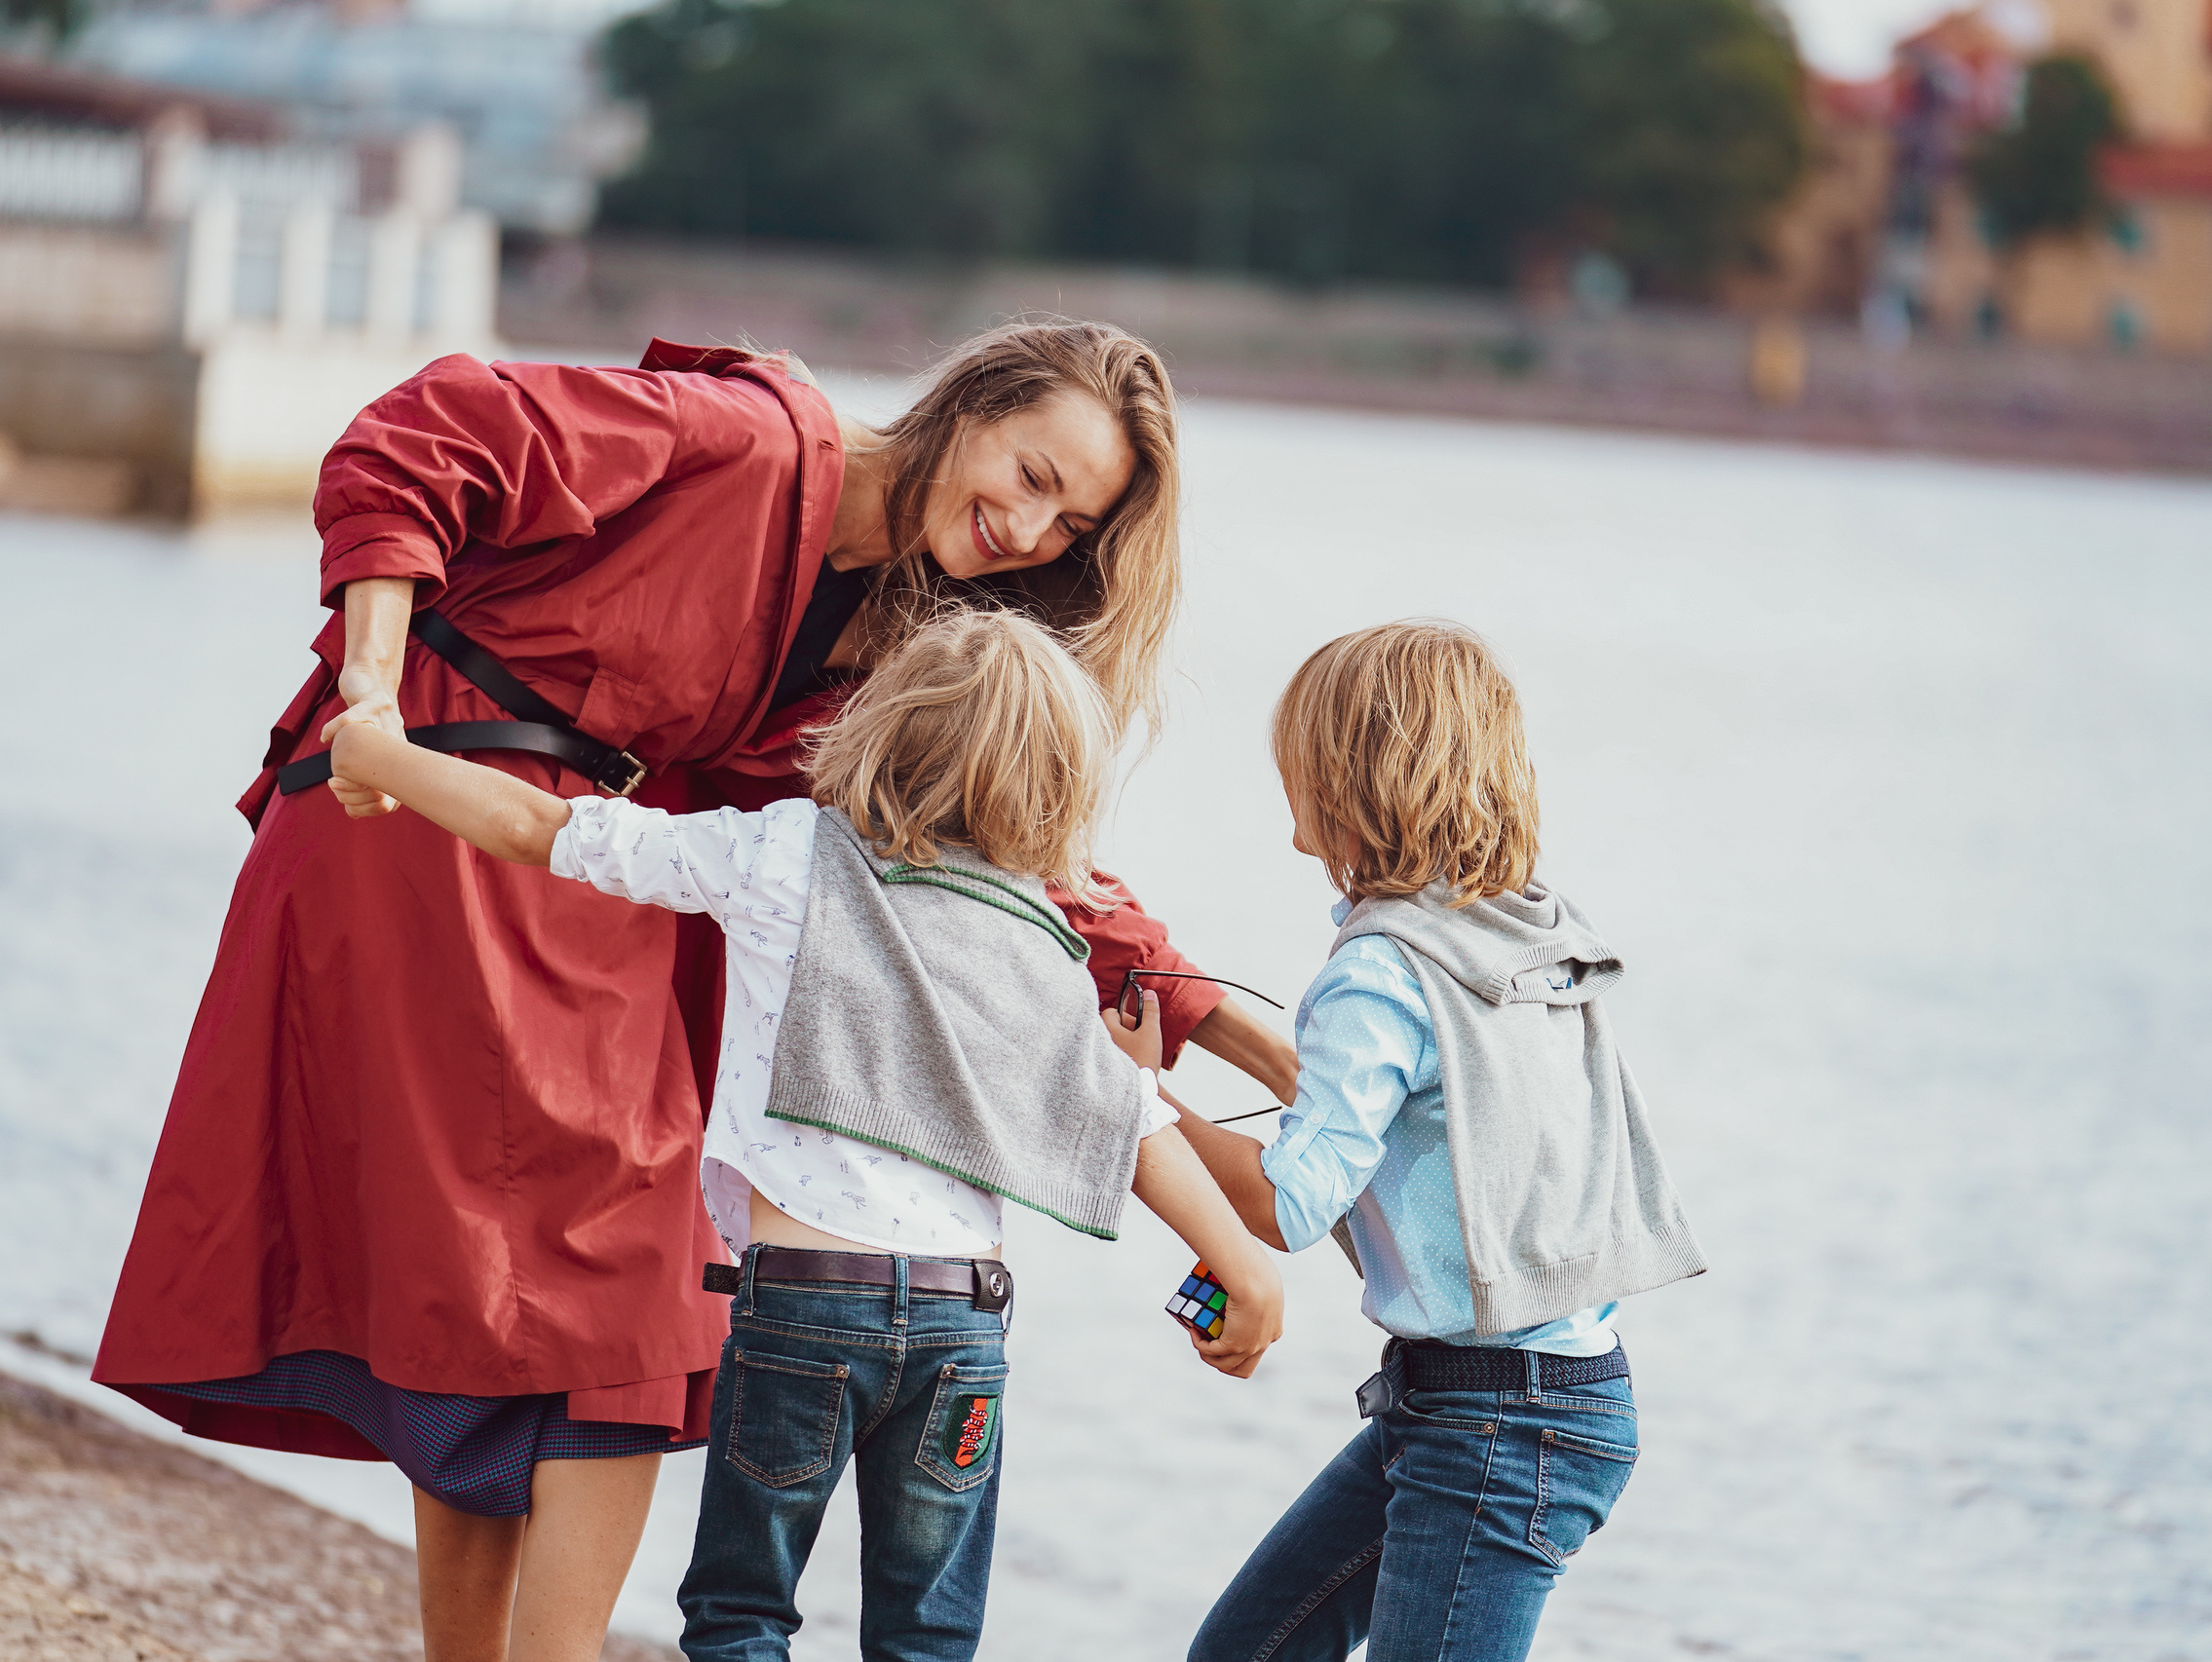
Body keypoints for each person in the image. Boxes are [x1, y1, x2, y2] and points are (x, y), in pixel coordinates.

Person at [91, 321, 1296, 1662]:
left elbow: (1005, 868)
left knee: (560, 1305)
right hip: (420, 820)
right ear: (970, 405)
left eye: (1068, 524)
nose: (1026, 528)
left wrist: (1264, 1048)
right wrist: (368, 687)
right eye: (1030, 473)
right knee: (613, 1291)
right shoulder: (747, 439)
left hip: (592, 879)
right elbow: (429, 429)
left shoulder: (906, 640)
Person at [325, 607, 1283, 1662]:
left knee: (744, 1614)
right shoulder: (1042, 934)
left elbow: (544, 829)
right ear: (1059, 787)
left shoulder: (785, 852)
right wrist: (1241, 1268)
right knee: (927, 1634)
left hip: (803, 1308)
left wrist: (380, 754)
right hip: (963, 1324)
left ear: (877, 729)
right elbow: (1131, 1121)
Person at [1168, 620, 1711, 1662]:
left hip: (1496, 1424)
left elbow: (1290, 1202)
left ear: (1348, 784)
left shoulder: (1378, 970)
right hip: (1524, 1396)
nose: (1294, 828)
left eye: (1299, 779)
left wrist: (1144, 1106)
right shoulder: (1524, 934)